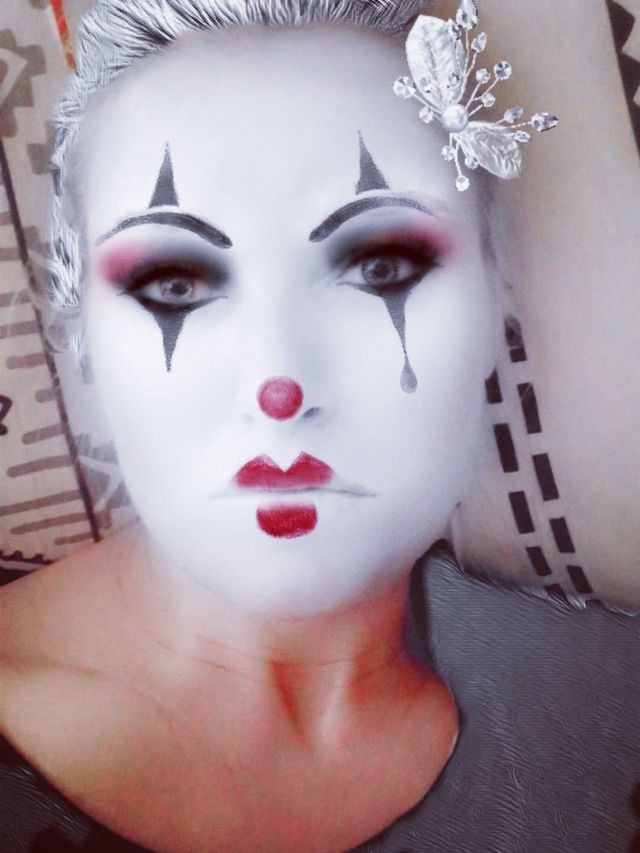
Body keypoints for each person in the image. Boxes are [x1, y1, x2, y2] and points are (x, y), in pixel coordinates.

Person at [2, 2, 639, 853]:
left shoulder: (613, 712)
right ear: (79, 332)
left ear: (499, 299)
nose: (281, 385)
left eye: (380, 267)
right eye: (176, 283)